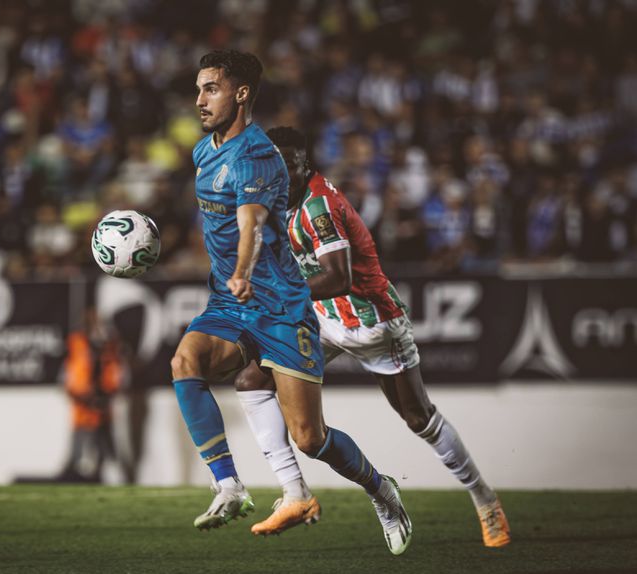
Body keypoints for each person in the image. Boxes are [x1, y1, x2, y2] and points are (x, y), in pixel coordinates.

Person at [172, 50, 412, 555]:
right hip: (232, 302)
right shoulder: (203, 152)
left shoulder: (257, 156)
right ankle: (231, 487)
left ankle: (381, 490)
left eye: (210, 88)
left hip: (280, 308)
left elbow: (252, 225)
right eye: (198, 89)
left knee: (309, 437)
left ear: (240, 93)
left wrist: (240, 271)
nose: (199, 100)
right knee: (185, 362)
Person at [233, 126, 510, 548]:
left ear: (304, 163)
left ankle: (484, 499)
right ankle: (296, 492)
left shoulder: (318, 205)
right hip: (324, 322)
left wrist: (278, 294)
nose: (281, 172)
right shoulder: (276, 199)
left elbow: (339, 276)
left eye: (290, 163)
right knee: (252, 379)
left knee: (420, 419)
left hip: (373, 324)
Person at [58, 306, 128, 483]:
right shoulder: (76, 343)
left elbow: (116, 374)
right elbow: (68, 374)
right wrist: (80, 395)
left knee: (106, 447)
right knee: (80, 446)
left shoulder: (110, 346)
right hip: (83, 405)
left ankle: (109, 476)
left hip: (102, 404)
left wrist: (106, 395)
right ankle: (73, 475)